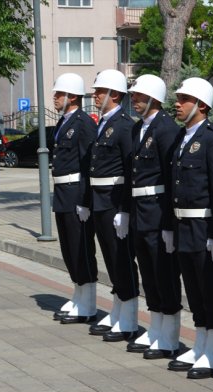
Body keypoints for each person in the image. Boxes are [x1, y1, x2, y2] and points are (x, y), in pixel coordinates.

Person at [166, 78, 213, 378]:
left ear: (202, 105)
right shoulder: (183, 137)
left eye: (184, 99)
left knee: (211, 289)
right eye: (178, 98)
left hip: (205, 227)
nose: (177, 104)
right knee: (193, 289)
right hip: (184, 224)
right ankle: (201, 344)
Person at [125, 74, 183, 359]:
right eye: (133, 97)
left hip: (158, 211)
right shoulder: (139, 129)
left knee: (164, 273)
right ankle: (156, 327)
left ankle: (170, 336)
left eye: (139, 96)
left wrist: (170, 223)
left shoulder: (166, 129)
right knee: (149, 272)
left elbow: (172, 178)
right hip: (141, 210)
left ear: (154, 98)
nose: (134, 101)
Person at [82, 69, 141, 342]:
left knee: (122, 259)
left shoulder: (125, 126)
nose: (95, 95)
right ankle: (117, 311)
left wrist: (126, 209)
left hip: (115, 200)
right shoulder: (103, 123)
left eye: (100, 91)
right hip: (100, 200)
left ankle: (128, 318)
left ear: (114, 95)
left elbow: (131, 171)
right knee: (110, 258)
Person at [49, 73, 99, 324]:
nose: (55, 98)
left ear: (72, 96)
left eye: (59, 93)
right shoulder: (64, 123)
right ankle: (79, 295)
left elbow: (88, 164)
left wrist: (84, 201)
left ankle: (88, 302)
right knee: (69, 249)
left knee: (81, 249)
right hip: (62, 194)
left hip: (75, 194)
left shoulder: (83, 123)